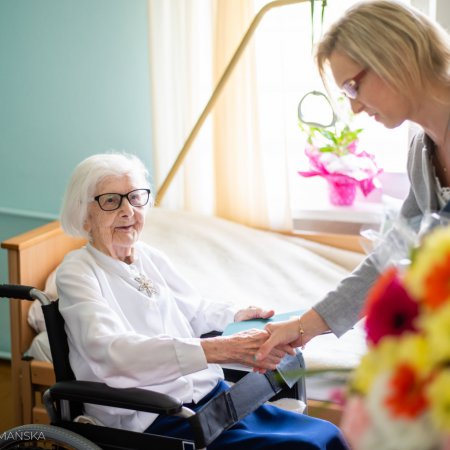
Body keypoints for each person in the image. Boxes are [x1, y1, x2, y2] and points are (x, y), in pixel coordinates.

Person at [57, 152, 349, 449]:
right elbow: (111, 352)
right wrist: (215, 350)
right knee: (305, 447)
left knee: (328, 434)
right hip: (155, 418)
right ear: (84, 214)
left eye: (135, 198)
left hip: (212, 401)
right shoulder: (77, 272)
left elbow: (195, 310)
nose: (128, 211)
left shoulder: (149, 256)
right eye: (111, 201)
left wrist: (238, 317)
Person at [256, 0, 450, 361]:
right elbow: (393, 254)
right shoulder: (421, 151)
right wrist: (303, 326)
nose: (355, 107)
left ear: (396, 56)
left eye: (352, 87)